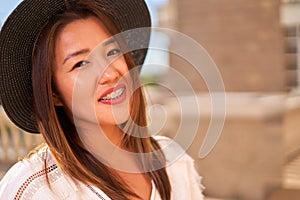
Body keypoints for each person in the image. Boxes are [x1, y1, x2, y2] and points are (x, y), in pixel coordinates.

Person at [0, 0, 204, 199]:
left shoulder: (174, 163)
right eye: (80, 64)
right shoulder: (35, 189)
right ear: (53, 94)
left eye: (113, 52)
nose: (110, 74)